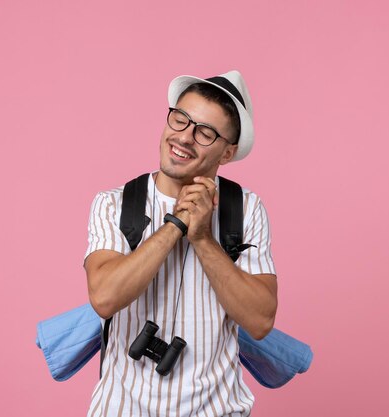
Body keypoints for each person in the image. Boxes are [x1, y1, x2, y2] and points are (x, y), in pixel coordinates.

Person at [84, 70, 278, 417]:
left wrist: (202, 237)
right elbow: (104, 297)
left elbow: (260, 320)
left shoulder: (246, 210)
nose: (185, 137)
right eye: (180, 119)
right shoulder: (114, 203)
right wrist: (176, 224)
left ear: (227, 152)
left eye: (205, 132)